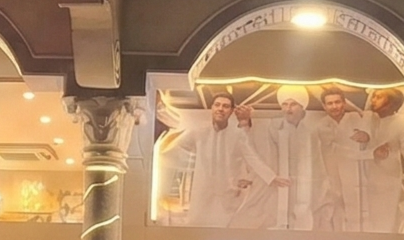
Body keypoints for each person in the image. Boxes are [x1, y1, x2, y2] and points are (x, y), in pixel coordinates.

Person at [157, 90, 278, 227]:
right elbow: (175, 151)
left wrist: (271, 177)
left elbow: (252, 158)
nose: (220, 109)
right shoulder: (198, 131)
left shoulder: (237, 135)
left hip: (228, 196)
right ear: (212, 108)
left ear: (231, 111)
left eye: (225, 106)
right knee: (198, 227)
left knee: (226, 229)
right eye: (217, 105)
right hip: (202, 195)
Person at [236, 85, 334, 230]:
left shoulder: (311, 132)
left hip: (305, 190)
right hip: (275, 188)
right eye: (285, 104)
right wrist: (271, 177)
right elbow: (250, 152)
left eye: (293, 104)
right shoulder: (272, 128)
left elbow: (320, 164)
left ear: (302, 107)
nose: (288, 109)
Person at [315, 85, 372, 231]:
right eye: (330, 103)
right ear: (324, 106)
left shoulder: (356, 119)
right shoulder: (321, 125)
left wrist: (367, 137)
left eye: (337, 102)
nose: (334, 106)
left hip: (356, 174)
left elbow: (371, 141)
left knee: (357, 211)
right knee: (336, 211)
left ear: (344, 103)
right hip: (333, 175)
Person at [365, 88, 404, 233]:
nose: (373, 100)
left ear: (391, 103)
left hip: (388, 185)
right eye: (373, 96)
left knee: (385, 226)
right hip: (364, 181)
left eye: (378, 97)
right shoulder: (368, 119)